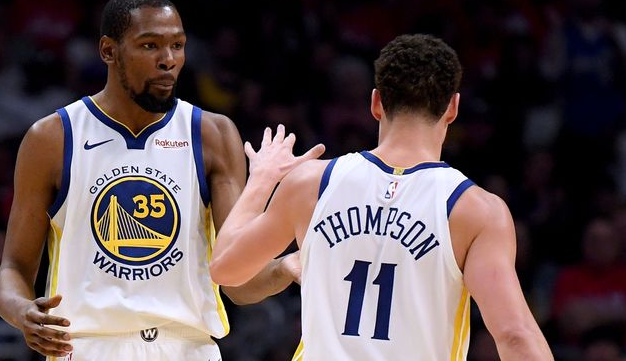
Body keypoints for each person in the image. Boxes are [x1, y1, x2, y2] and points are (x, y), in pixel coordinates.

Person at [0, 0, 299, 360]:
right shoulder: (53, 138)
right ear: (109, 51)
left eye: (177, 45)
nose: (168, 60)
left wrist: (286, 267)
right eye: (150, 46)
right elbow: (13, 268)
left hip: (187, 348)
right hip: (87, 346)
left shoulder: (212, 134)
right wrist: (21, 310)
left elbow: (238, 281)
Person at [211, 34, 554, 360]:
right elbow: (514, 335)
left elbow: (226, 269)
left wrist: (262, 179)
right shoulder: (475, 210)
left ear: (376, 102)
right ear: (452, 107)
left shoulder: (312, 183)